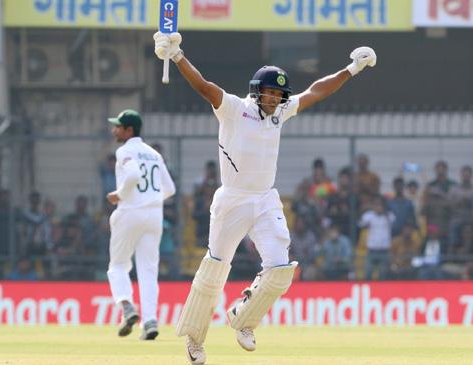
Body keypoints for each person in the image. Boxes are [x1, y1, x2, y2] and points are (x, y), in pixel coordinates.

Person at [153, 31, 376, 364]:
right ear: (257, 91)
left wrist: (351, 69)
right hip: (232, 200)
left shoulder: (279, 113)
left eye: (279, 94)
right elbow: (203, 86)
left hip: (265, 199)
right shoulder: (232, 108)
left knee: (281, 269)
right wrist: (177, 55)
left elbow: (316, 91)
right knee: (215, 271)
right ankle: (195, 340)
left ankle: (244, 320)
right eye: (270, 92)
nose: (275, 98)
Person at [106, 109, 176, 340]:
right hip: (154, 215)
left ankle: (127, 306)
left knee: (118, 266)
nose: (114, 129)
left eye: (118, 126)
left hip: (130, 212)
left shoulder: (125, 150)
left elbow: (134, 175)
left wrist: (119, 194)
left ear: (129, 130)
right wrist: (151, 200)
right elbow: (170, 189)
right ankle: (150, 322)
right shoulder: (154, 154)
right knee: (148, 271)